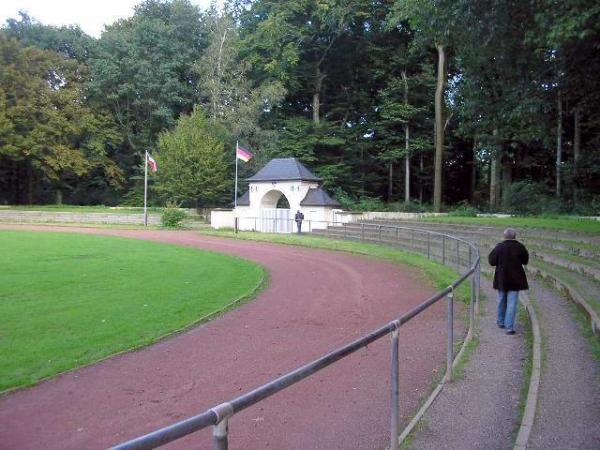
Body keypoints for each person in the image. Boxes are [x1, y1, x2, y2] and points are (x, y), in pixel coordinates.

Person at [488, 228, 529, 335]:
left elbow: (491, 261)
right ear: (515, 236)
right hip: (515, 280)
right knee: (512, 303)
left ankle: (501, 322)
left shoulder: (499, 247)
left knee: (502, 300)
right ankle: (509, 328)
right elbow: (525, 261)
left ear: (504, 236)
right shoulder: (520, 247)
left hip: (502, 278)